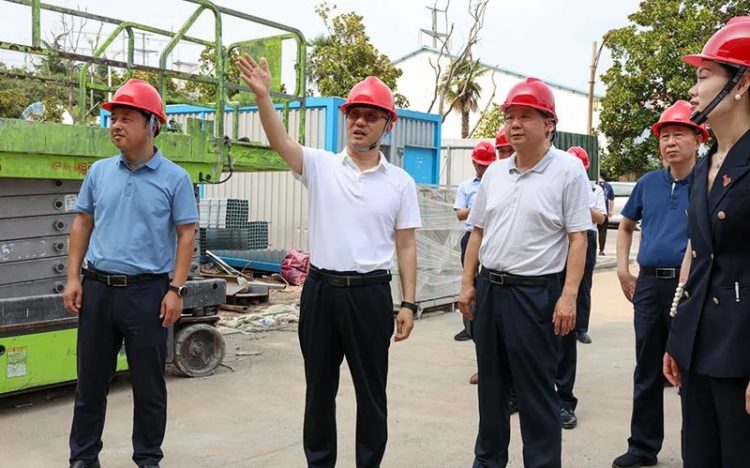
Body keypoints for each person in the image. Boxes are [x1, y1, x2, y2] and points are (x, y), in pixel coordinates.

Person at [237, 55, 421, 467]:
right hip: (321, 293)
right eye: (354, 114)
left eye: (371, 116)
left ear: (387, 125)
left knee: (371, 392)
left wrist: (409, 303)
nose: (360, 122)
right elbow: (280, 142)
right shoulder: (320, 166)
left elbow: (407, 246)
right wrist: (264, 97)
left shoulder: (400, 183)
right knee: (319, 390)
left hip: (370, 295)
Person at [63, 79, 199, 468]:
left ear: (152, 124)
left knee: (149, 387)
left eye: (126, 118)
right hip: (98, 290)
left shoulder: (175, 178)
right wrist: (73, 278)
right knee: (90, 384)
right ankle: (83, 458)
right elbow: (82, 223)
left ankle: (148, 458)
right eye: (113, 118)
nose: (116, 125)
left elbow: (186, 235)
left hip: (148, 294)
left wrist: (176, 289)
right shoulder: (99, 172)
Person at [458, 77, 591, 468]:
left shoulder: (568, 171)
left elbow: (578, 238)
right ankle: (488, 461)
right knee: (491, 389)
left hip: (534, 295)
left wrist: (568, 296)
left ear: (548, 123)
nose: (514, 124)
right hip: (490, 290)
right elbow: (477, 231)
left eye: (525, 116)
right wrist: (467, 283)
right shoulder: (495, 174)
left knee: (536, 392)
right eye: (510, 117)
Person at [664, 16, 750, 468]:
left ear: (742, 83)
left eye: (704, 76)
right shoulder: (704, 166)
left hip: (742, 352)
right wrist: (678, 335)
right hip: (698, 345)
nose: (693, 91)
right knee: (698, 455)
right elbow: (696, 256)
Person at [612, 100, 706, 468]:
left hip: (692, 288)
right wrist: (623, 270)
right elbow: (625, 225)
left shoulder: (708, 181)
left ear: (698, 139)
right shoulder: (648, 183)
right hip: (650, 286)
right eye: (665, 136)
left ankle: (696, 451)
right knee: (647, 368)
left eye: (679, 134)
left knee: (691, 371)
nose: (670, 142)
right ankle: (642, 446)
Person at [554, 146, 607, 430]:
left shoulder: (592, 188)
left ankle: (563, 399)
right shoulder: (546, 178)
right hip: (546, 254)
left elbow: (599, 219)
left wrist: (569, 294)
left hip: (578, 240)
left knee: (573, 304)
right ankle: (519, 394)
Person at [453, 141, 496, 346]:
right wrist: (479, 206)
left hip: (493, 236)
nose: (482, 168)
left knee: (489, 282)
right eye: (480, 164)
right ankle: (468, 327)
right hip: (471, 236)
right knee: (470, 280)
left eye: (486, 165)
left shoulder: (499, 182)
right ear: (473, 162)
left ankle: (487, 325)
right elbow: (460, 214)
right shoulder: (466, 186)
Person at [597, 177, 615, 255]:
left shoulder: (593, 185)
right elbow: (611, 199)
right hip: (604, 212)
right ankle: (601, 250)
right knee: (602, 231)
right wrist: (611, 210)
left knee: (591, 231)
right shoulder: (608, 186)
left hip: (593, 211)